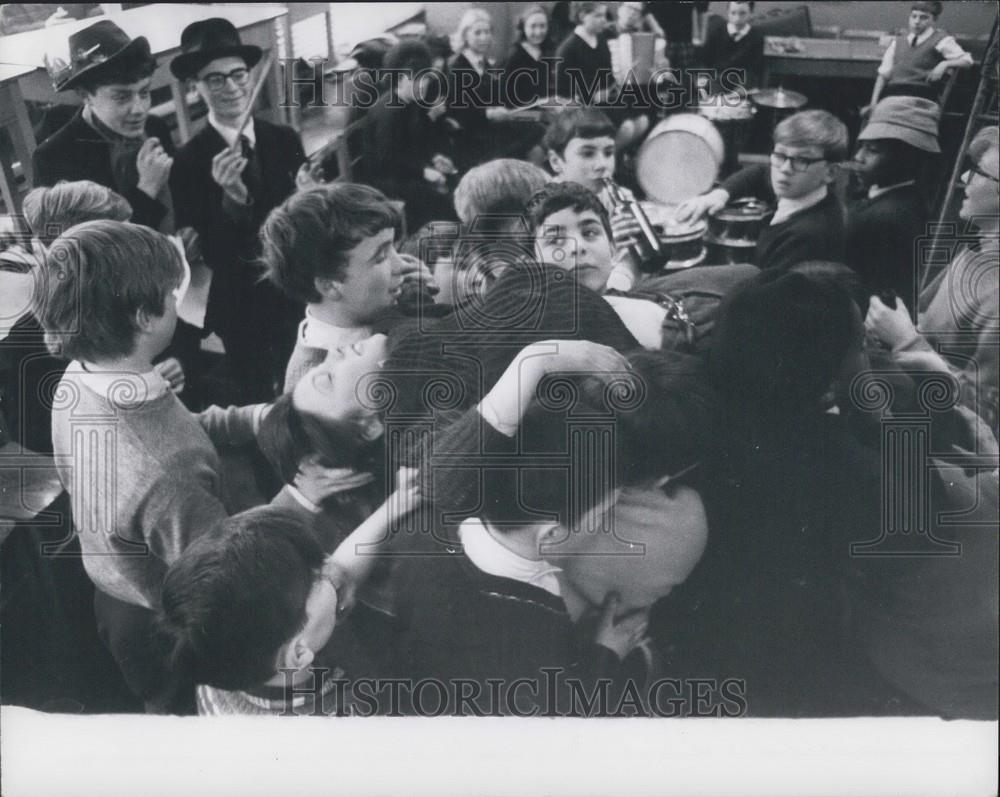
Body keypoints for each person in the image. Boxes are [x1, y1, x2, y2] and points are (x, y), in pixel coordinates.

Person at [36, 220, 337, 712]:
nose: (179, 301)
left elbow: (174, 423)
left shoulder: (83, 374)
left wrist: (251, 418)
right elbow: (225, 570)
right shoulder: (168, 465)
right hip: (169, 624)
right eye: (172, 294)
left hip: (113, 591)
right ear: (144, 318)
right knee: (182, 717)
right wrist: (300, 498)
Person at [160, 477, 418, 716]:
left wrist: (394, 507)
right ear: (300, 653)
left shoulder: (216, 655)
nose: (330, 563)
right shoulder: (350, 715)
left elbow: (340, 571)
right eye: (318, 577)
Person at [169, 18, 306, 403]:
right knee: (258, 393)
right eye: (215, 79)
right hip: (241, 303)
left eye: (238, 74)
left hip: (294, 287)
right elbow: (205, 255)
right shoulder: (189, 161)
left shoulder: (284, 138)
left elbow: (302, 215)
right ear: (195, 88)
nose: (231, 87)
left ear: (250, 76)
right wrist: (233, 201)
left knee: (302, 378)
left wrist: (311, 198)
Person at [865, 125, 999, 434]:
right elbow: (927, 320)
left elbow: (990, 417)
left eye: (978, 172)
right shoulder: (978, 248)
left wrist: (906, 340)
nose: (964, 178)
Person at [258, 183, 407, 394]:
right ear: (329, 285)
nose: (401, 265)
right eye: (380, 257)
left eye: (395, 247)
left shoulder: (387, 306)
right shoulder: (317, 393)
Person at [33, 20, 175, 233]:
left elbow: (182, 195)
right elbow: (90, 251)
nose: (139, 109)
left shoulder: (155, 127)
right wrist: (148, 189)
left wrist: (188, 226)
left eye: (144, 93)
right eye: (121, 97)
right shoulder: (53, 158)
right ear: (85, 95)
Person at [675, 109, 849, 271]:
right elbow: (758, 173)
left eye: (802, 160)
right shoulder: (802, 189)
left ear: (831, 172)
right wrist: (718, 195)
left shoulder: (808, 237)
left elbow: (764, 298)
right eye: (780, 155)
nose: (785, 168)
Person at [846, 96, 942, 309]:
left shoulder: (888, 217)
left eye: (873, 150)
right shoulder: (894, 197)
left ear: (906, 158)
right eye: (861, 147)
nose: (859, 158)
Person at [358, 41, 458, 231]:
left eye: (425, 78)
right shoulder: (389, 111)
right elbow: (387, 160)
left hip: (405, 171)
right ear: (399, 79)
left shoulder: (411, 102)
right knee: (443, 201)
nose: (423, 85)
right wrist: (423, 172)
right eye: (414, 79)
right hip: (386, 181)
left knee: (454, 180)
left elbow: (414, 143)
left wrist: (433, 160)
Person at [445, 8, 544, 167]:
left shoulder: (485, 63)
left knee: (537, 128)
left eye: (487, 32)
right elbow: (456, 111)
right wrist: (488, 113)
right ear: (465, 35)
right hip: (472, 133)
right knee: (533, 136)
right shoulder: (456, 66)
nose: (484, 37)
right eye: (477, 33)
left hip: (491, 126)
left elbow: (497, 97)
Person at [871, 1, 973, 106]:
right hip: (893, 94)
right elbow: (883, 74)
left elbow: (967, 61)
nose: (917, 21)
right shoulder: (898, 42)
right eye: (914, 16)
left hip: (921, 95)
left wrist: (944, 64)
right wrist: (873, 104)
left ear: (934, 20)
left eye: (923, 18)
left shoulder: (941, 40)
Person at [697, 1, 764, 94]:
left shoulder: (756, 37)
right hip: (717, 81)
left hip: (741, 84)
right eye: (733, 13)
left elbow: (754, 68)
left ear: (751, 13)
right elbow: (704, 60)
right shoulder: (716, 31)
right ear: (727, 12)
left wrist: (743, 87)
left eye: (743, 13)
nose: (737, 18)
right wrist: (703, 78)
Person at [500, 4, 557, 108]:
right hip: (518, 116)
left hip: (539, 113)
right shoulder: (515, 56)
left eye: (542, 26)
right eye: (533, 26)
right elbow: (504, 95)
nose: (538, 32)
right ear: (523, 27)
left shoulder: (545, 53)